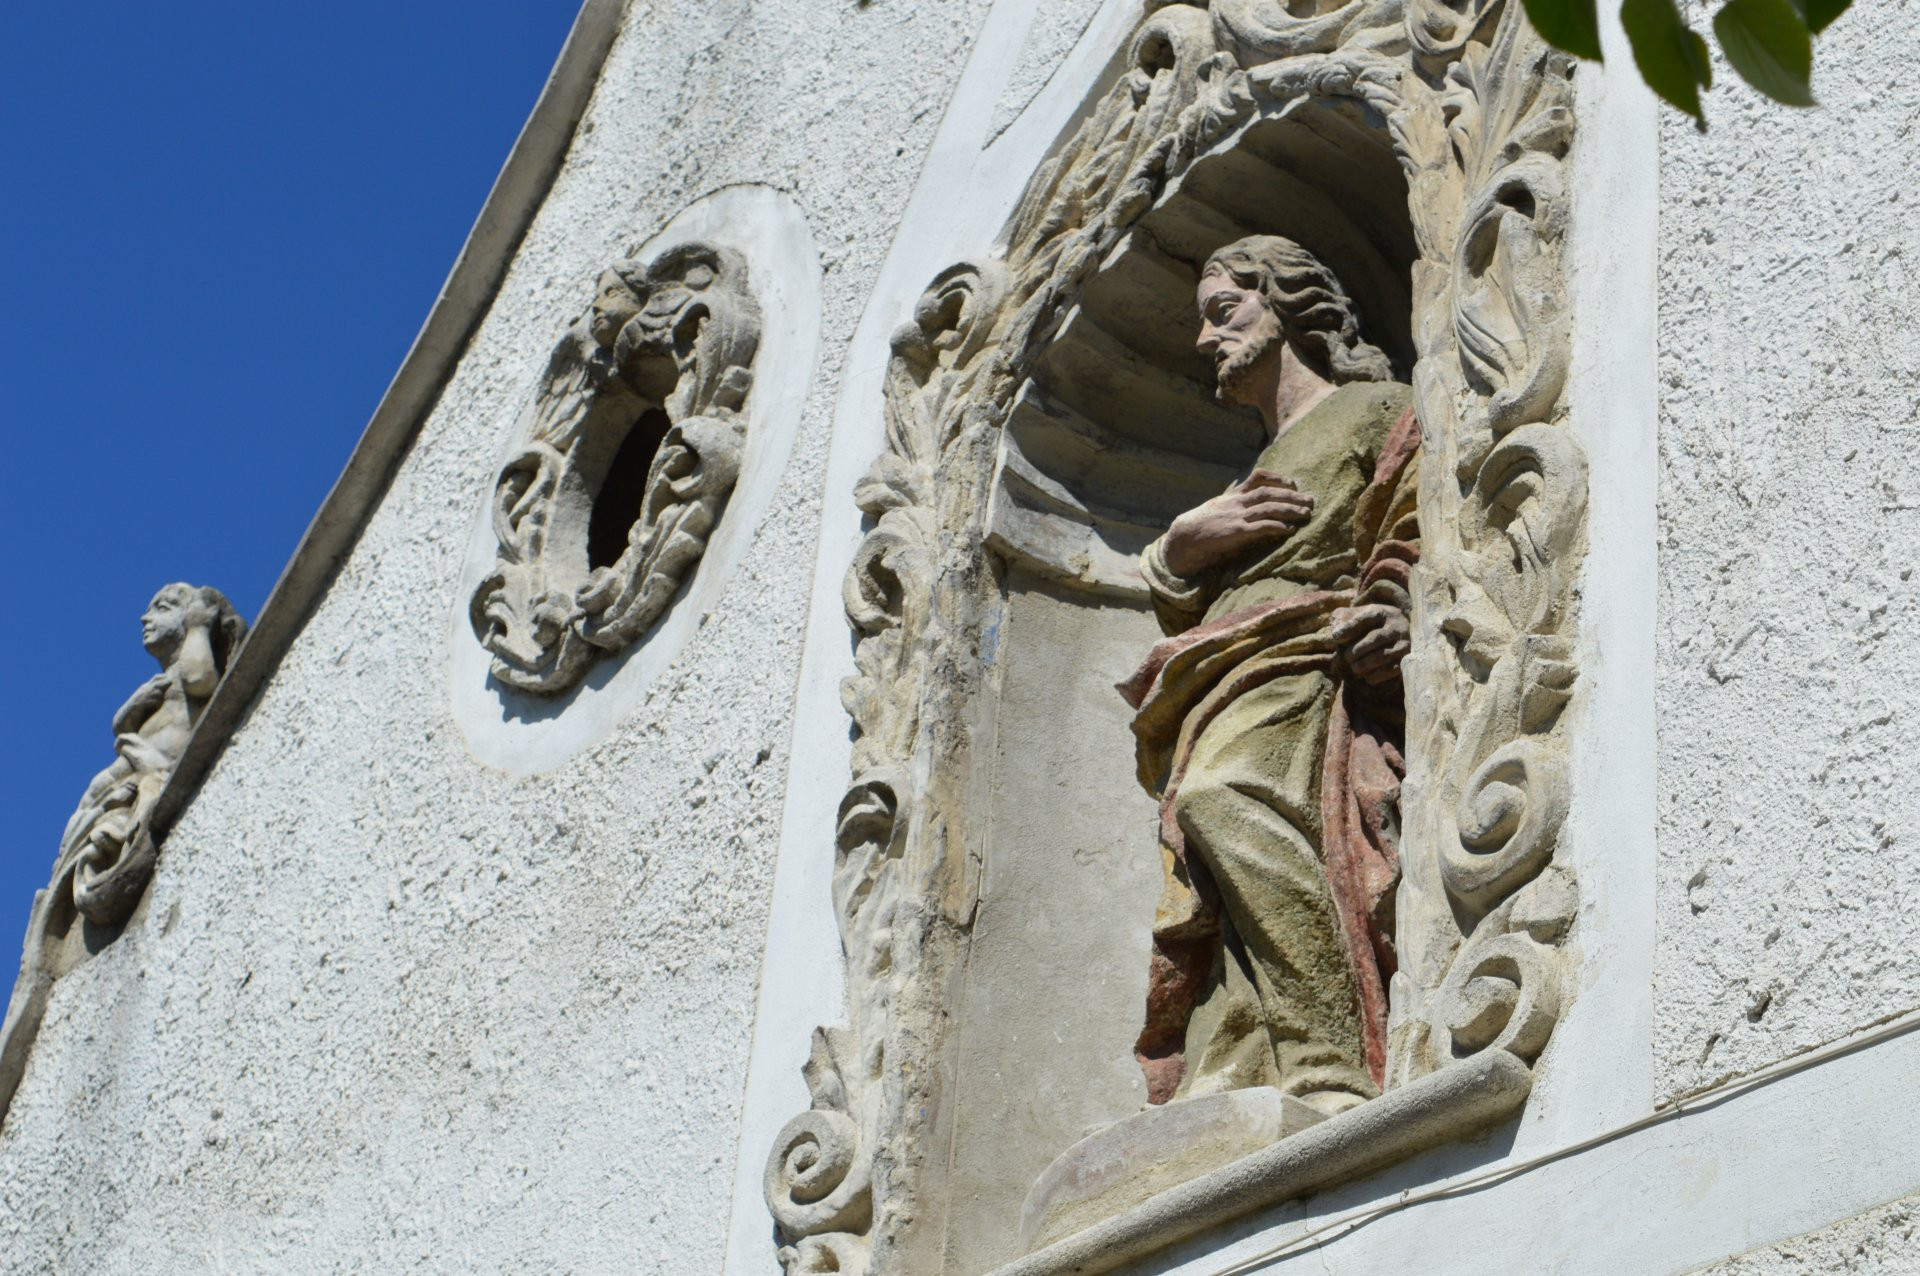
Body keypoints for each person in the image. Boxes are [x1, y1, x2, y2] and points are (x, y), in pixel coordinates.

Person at [1119, 235, 1420, 1113]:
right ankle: (1245, 1060)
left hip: (1307, 657)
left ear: (1286, 305)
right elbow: (1192, 597)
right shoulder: (1244, 477)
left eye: (1224, 312)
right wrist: (1179, 549)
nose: (1205, 339)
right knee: (1213, 865)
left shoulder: (1375, 408)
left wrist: (1393, 605)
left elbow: (1410, 515)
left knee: (1223, 802)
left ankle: (1329, 1060)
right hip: (1221, 671)